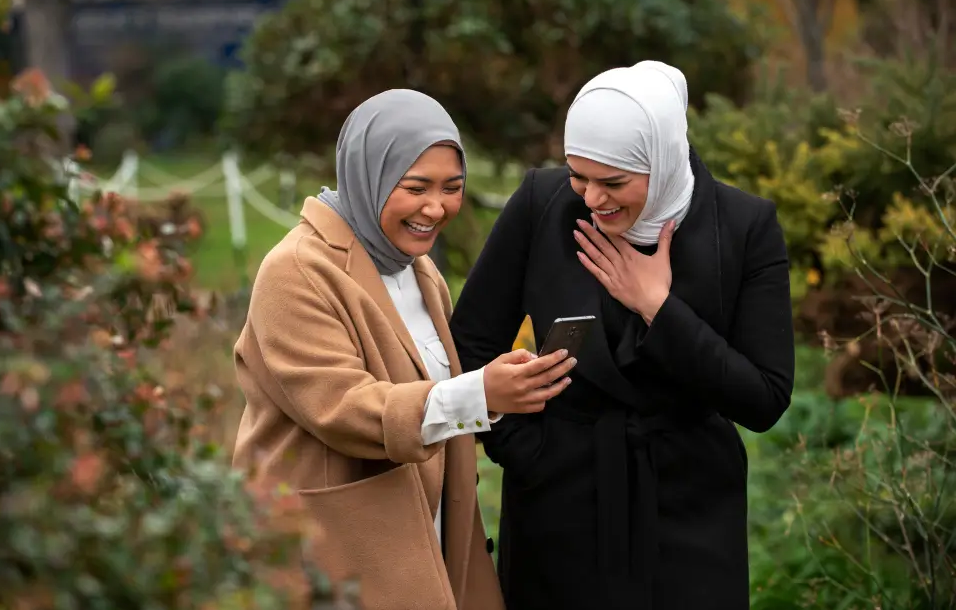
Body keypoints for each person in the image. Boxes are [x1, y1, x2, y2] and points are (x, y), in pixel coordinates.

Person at [450, 62, 796, 610]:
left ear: (660, 159)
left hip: (689, 506)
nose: (590, 198)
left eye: (613, 182)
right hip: (556, 500)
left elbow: (765, 399)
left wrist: (659, 308)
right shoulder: (543, 204)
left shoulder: (742, 227)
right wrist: (522, 450)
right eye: (578, 175)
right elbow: (467, 343)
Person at [231, 89, 574, 610]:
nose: (436, 208)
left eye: (452, 188)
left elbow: (435, 391)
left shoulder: (418, 270)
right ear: (368, 175)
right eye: (415, 187)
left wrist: (510, 391)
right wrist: (478, 395)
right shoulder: (296, 271)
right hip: (336, 548)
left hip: (424, 533)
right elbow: (343, 408)